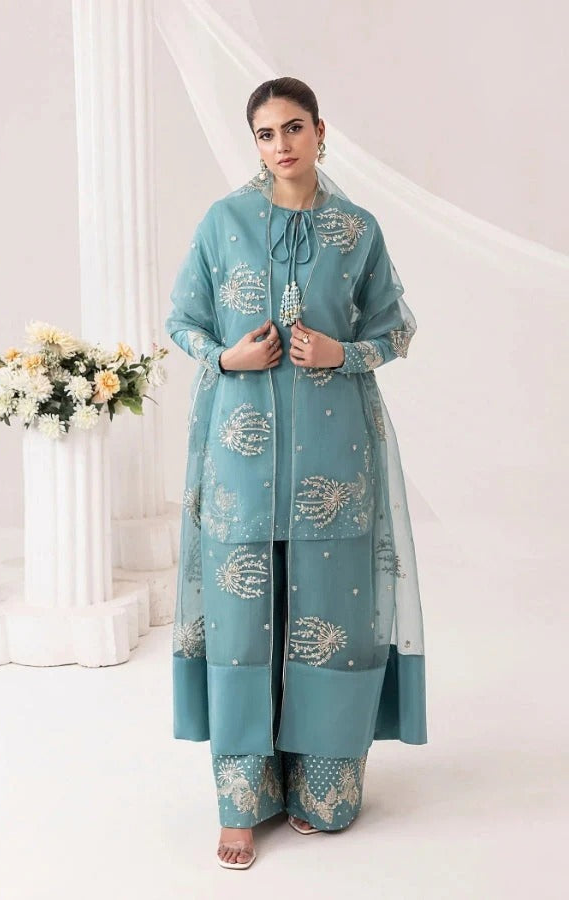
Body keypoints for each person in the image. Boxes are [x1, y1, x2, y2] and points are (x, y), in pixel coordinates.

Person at [165, 76, 427, 869]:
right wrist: (227, 358)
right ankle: (242, 800)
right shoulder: (224, 222)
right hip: (240, 459)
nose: (280, 144)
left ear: (320, 130)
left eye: (293, 127)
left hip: (336, 457)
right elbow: (182, 318)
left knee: (331, 612)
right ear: (255, 142)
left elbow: (397, 329)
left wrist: (342, 352)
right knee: (244, 614)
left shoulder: (357, 230)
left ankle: (322, 782)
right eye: (265, 132)